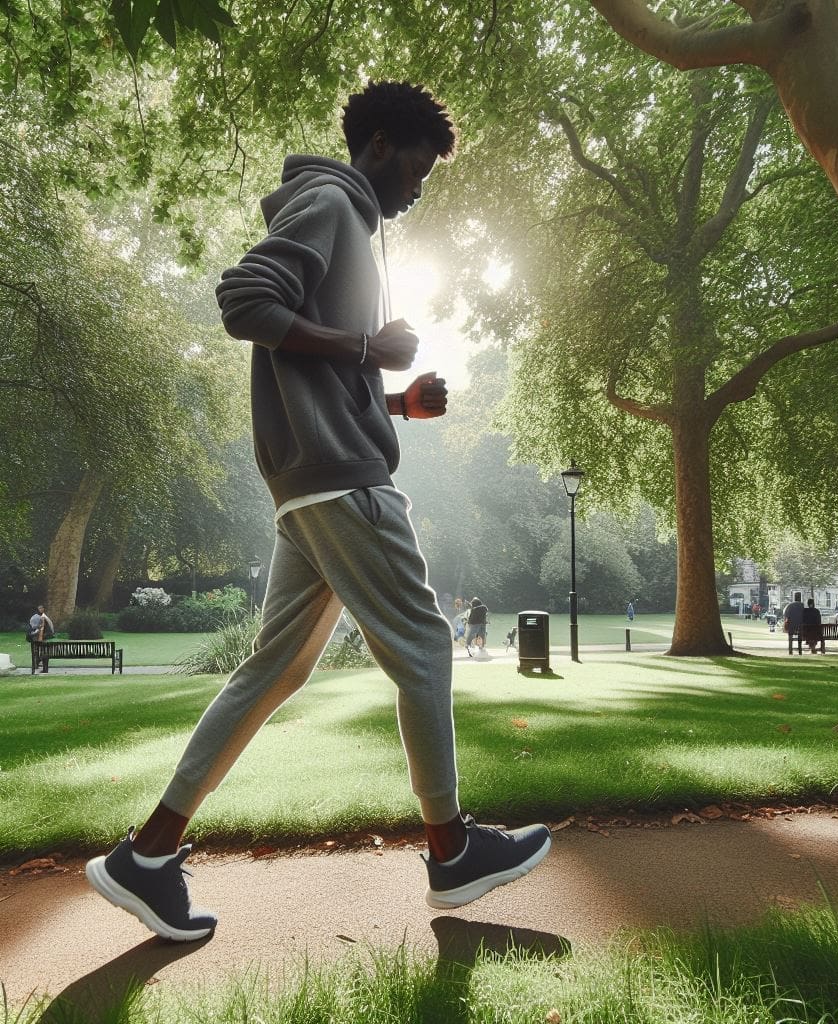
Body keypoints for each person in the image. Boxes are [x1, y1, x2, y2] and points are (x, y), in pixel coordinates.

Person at [84, 81, 550, 943]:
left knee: (271, 672)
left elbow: (312, 357)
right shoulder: (333, 200)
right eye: (416, 166)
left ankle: (144, 858)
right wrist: (367, 347)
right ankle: (452, 849)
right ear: (378, 144)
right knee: (423, 642)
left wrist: (396, 400)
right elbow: (245, 303)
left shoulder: (344, 219)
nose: (418, 187)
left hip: (309, 481)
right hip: (341, 480)